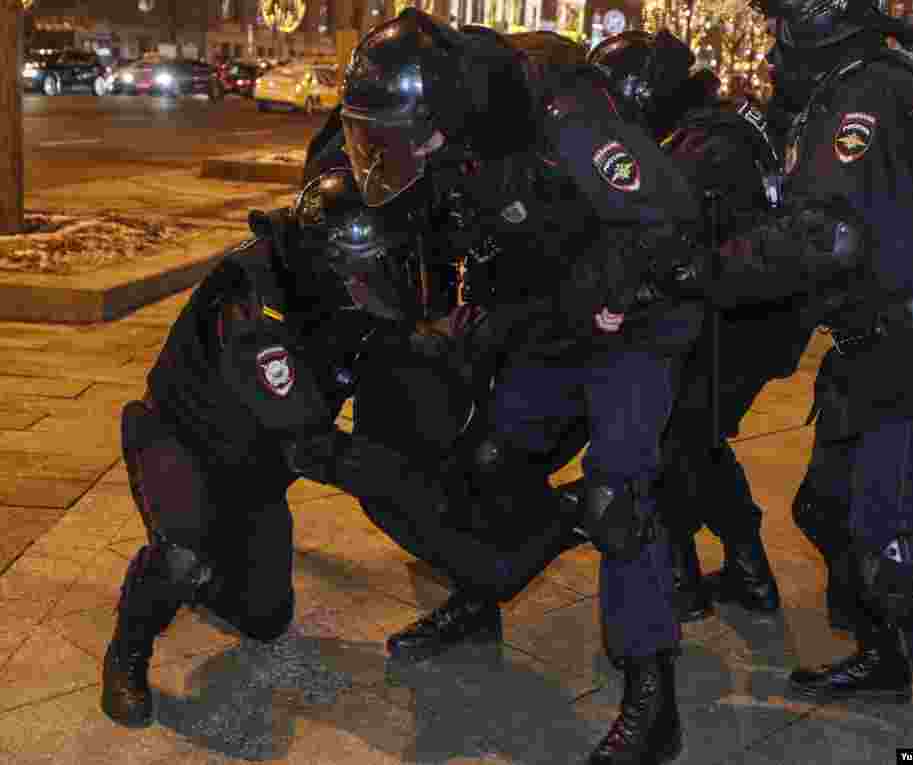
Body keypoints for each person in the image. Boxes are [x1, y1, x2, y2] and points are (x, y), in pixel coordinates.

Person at [338, 12, 707, 762]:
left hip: (637, 309)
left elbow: (670, 220)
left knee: (618, 499)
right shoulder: (456, 124)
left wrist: (597, 296)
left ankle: (652, 697)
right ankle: (479, 595)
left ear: (442, 113)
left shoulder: (564, 114)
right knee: (493, 459)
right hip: (558, 309)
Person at [100, 166, 583, 729]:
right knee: (183, 554)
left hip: (253, 470)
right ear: (331, 265)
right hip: (179, 441)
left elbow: (406, 346)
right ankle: (128, 650)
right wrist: (407, 487)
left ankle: (206, 571)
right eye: (370, 273)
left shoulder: (335, 293)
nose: (381, 282)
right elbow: (313, 445)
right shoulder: (255, 302)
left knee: (265, 618)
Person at [657, 0, 913, 748]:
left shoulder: (866, 93)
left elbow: (824, 235)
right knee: (825, 508)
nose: (771, 47)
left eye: (779, 27)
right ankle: (884, 655)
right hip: (871, 346)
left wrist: (710, 269)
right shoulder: (865, 83)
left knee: (889, 545)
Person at [588, 29, 813, 623]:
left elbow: (664, 242)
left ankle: (684, 579)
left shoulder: (702, 147)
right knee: (697, 439)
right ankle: (747, 570)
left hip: (738, 321)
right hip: (749, 314)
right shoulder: (716, 127)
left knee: (671, 443)